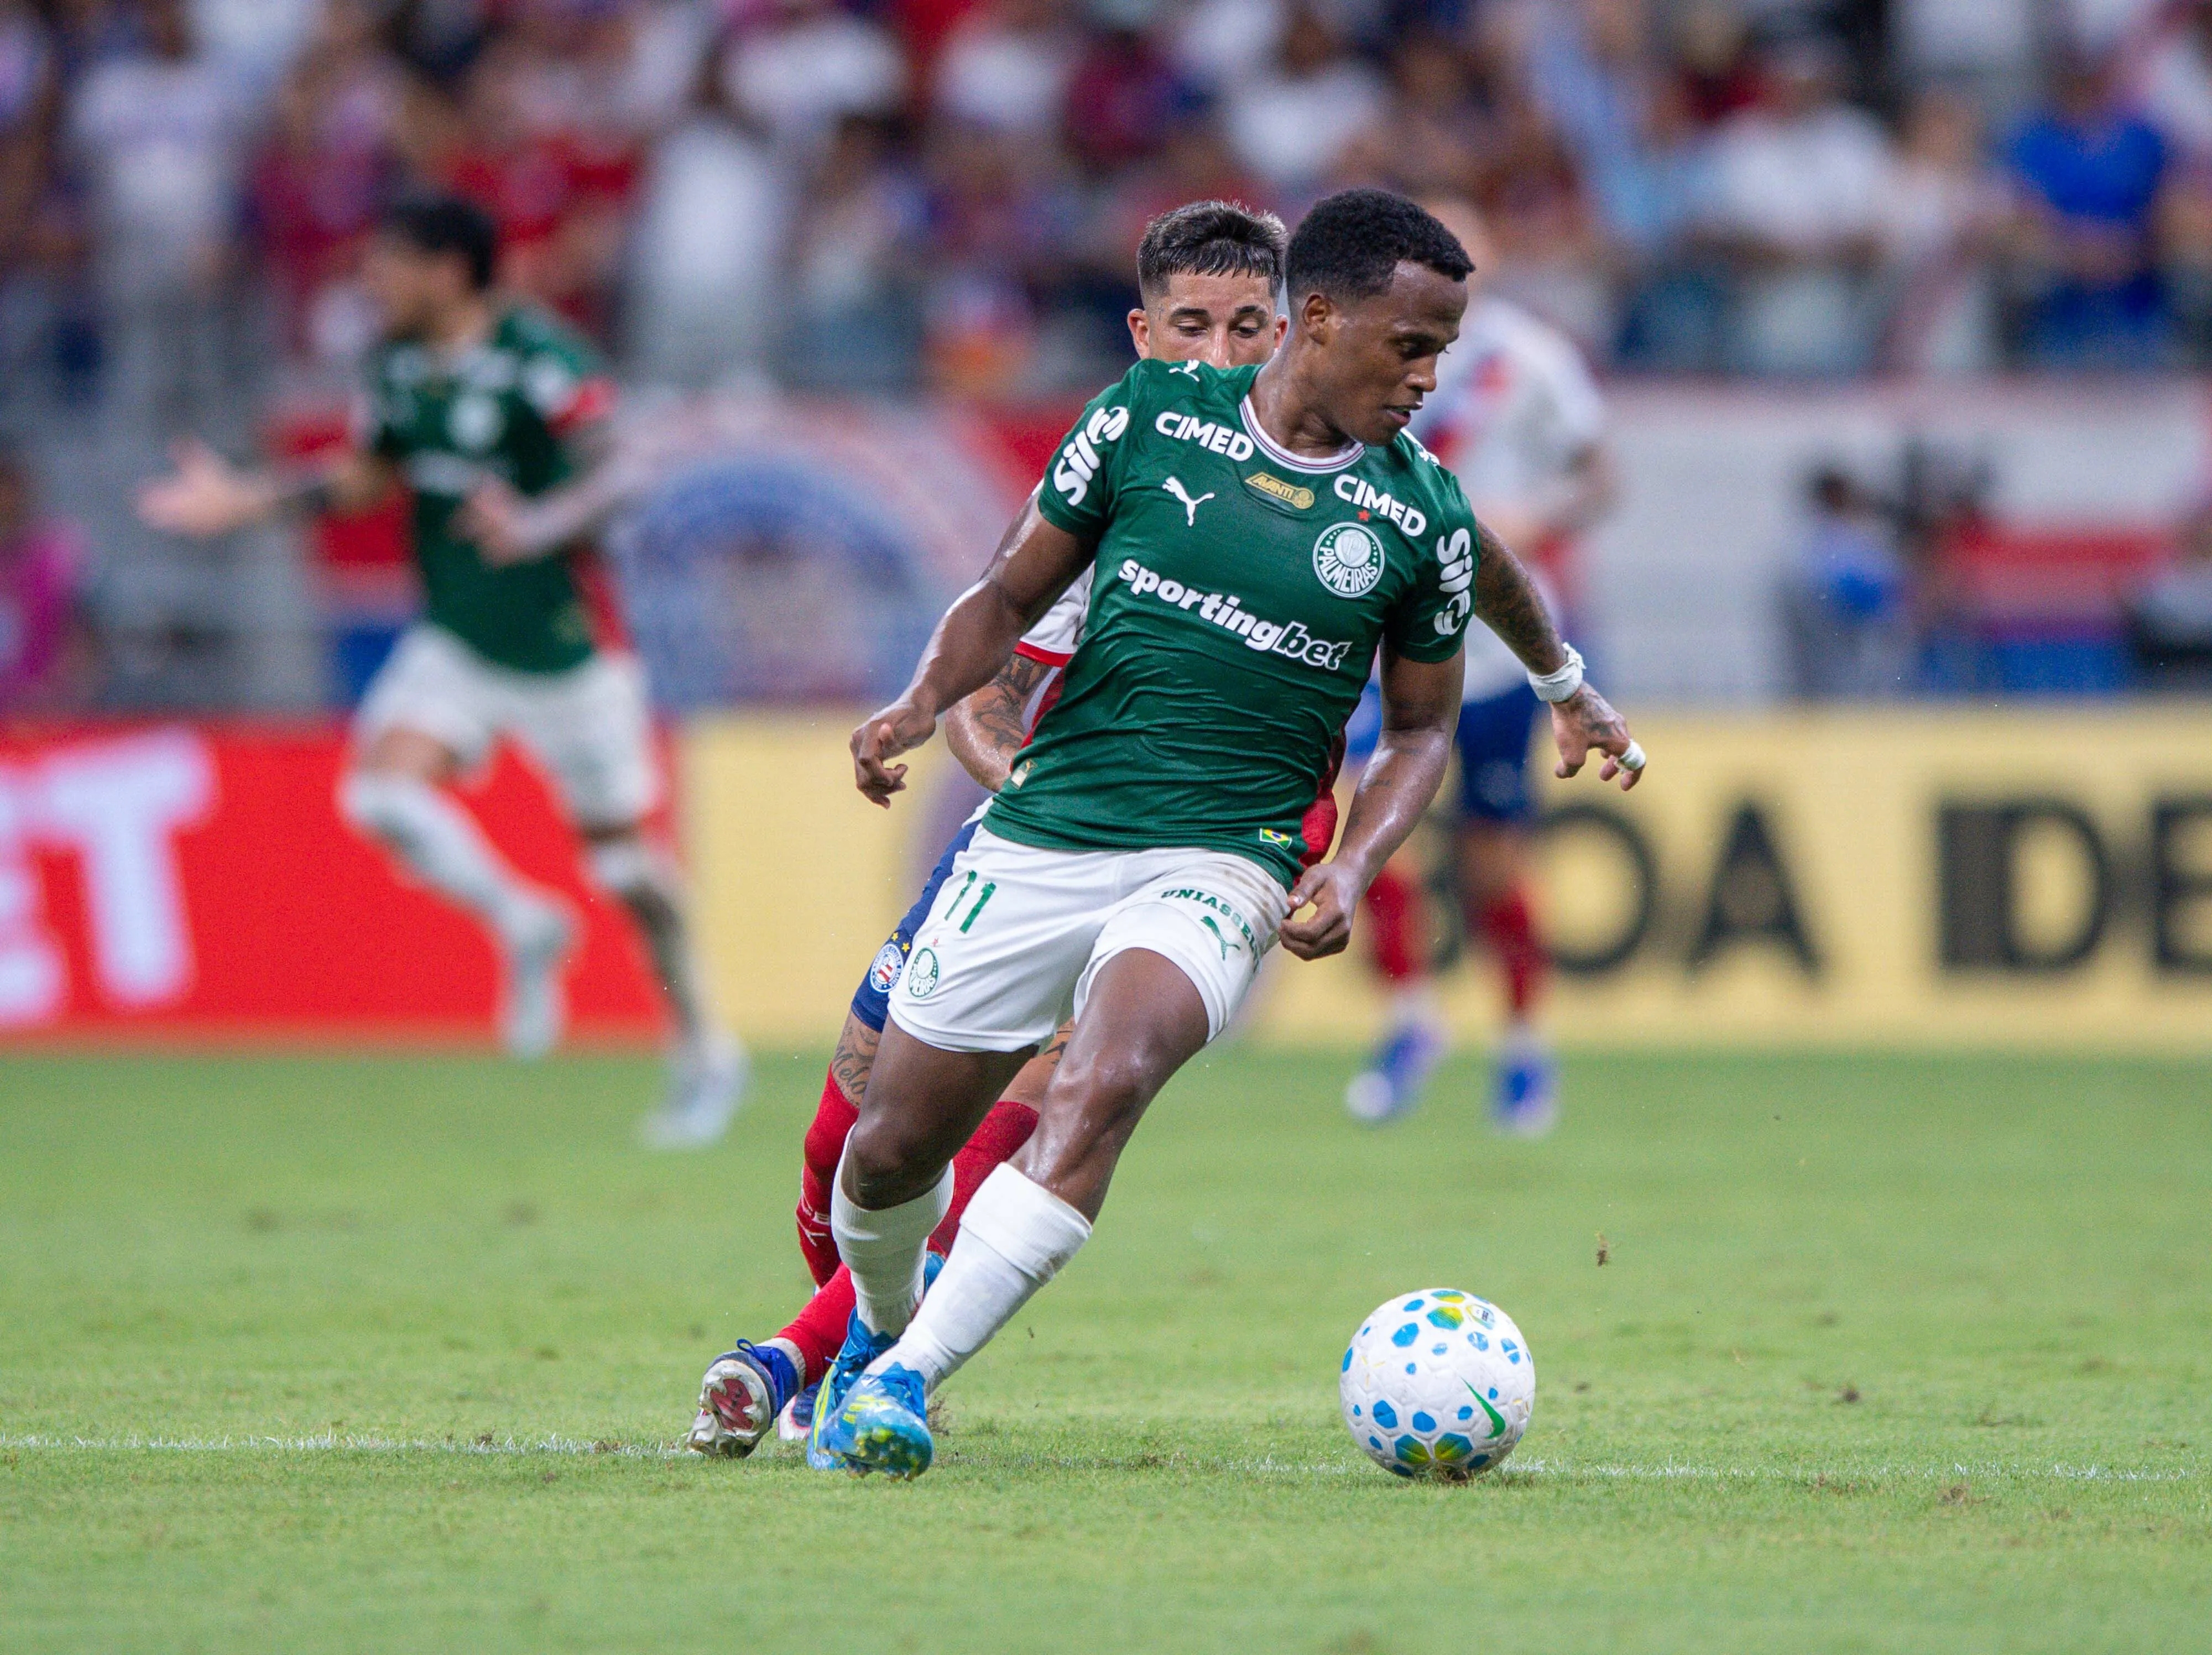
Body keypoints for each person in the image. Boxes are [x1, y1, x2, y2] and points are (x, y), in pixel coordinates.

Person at [813, 189, 1644, 1479]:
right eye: (1409, 346)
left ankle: (902, 1381)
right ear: (1319, 320)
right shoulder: (1145, 419)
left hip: (1223, 860)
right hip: (1048, 829)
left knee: (1100, 1085)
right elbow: (1008, 591)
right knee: (884, 1153)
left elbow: (1418, 727)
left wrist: (1352, 860)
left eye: (1440, 350)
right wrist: (922, 703)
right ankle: (876, 1324)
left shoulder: (1415, 510)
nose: (1428, 378)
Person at [685, 198, 1295, 1461]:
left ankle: (804, 1359)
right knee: (854, 1146)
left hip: (1176, 872)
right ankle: (864, 1347)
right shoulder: (1114, 476)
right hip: (1029, 850)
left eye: (1247, 328)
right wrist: (1017, 778)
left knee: (1023, 1128)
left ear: (1284, 335)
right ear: (1142, 335)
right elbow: (991, 693)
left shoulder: (1326, 496)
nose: (1220, 356)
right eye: (1191, 327)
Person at [136, 191, 743, 1148]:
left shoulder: (540, 358)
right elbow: (365, 478)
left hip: (569, 653)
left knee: (629, 871)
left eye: (390, 263)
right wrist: (246, 501)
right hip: (457, 639)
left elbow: (624, 470)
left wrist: (540, 524)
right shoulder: (396, 366)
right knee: (378, 795)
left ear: (449, 272)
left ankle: (705, 1050)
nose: (373, 280)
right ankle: (524, 923)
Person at [1343, 200, 1618, 1135]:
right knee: (1359, 827)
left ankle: (1524, 1046)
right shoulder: (1363, 354)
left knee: (1495, 863)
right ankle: (1410, 1019)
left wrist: (1539, 514)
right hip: (1381, 634)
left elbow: (1600, 477)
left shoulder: (1526, 359)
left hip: (1497, 648)